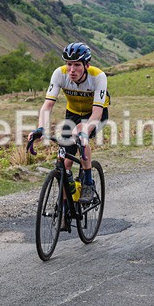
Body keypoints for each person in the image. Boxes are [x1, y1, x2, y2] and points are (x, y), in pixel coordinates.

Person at [28, 42, 109, 203]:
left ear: (87, 65)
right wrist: (41, 128)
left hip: (95, 114)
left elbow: (97, 113)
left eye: (77, 65)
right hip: (72, 114)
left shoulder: (98, 77)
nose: (72, 70)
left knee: (78, 134)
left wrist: (85, 130)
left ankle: (88, 182)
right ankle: (65, 205)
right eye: (69, 64)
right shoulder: (60, 74)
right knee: (65, 163)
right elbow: (48, 105)